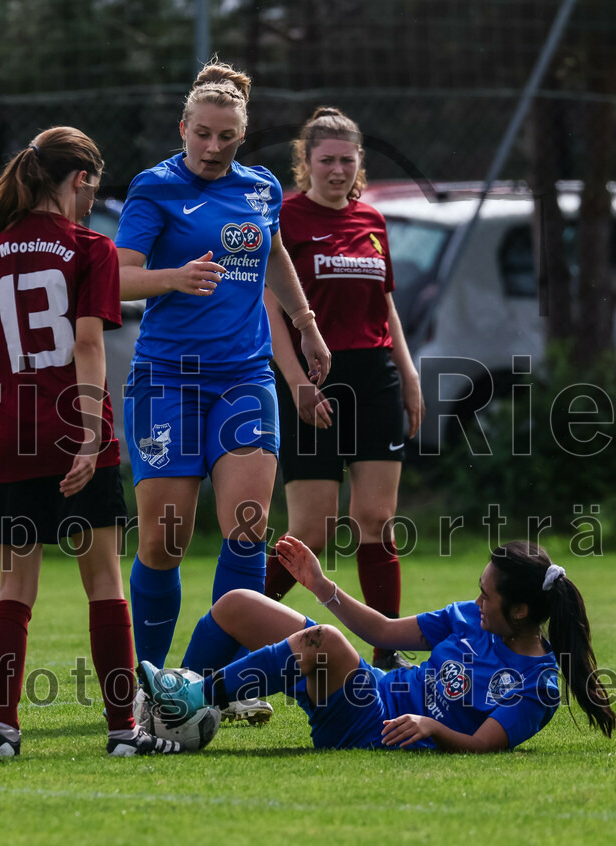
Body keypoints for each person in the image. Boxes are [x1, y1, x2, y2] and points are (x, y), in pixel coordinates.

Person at [0, 126, 181, 758]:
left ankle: (3, 728)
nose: (91, 202)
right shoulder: (89, 248)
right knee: (103, 581)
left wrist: (16, 373)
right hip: (75, 430)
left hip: (13, 436)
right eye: (92, 190)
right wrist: (87, 434)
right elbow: (84, 345)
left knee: (14, 588)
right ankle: (121, 732)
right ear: (79, 181)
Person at [114, 60, 331, 724]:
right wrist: (174, 278)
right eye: (202, 134)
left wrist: (304, 322)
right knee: (164, 542)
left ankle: (214, 687)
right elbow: (116, 280)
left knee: (246, 531)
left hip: (244, 378)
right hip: (168, 381)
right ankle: (145, 689)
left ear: (244, 133)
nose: (212, 148)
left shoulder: (261, 186)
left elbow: (273, 254)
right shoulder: (154, 189)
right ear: (184, 128)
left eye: (226, 136)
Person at [143, 536, 616, 753]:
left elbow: (482, 744)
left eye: (486, 594)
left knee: (323, 642)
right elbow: (384, 632)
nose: (476, 600)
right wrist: (321, 585)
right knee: (237, 604)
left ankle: (189, 701)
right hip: (368, 690)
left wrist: (431, 726)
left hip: (376, 727)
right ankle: (180, 714)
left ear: (519, 611)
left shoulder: (539, 685)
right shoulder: (470, 619)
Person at [262, 107, 425, 672]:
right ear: (305, 163)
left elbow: (384, 304)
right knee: (312, 528)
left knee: (376, 518)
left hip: (375, 375)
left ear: (359, 164)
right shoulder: (283, 217)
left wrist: (407, 374)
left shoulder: (372, 220)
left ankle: (389, 653)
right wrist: (297, 382)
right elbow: (272, 311)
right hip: (313, 378)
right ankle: (236, 631)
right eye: (325, 159)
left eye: (346, 160)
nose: (336, 169)